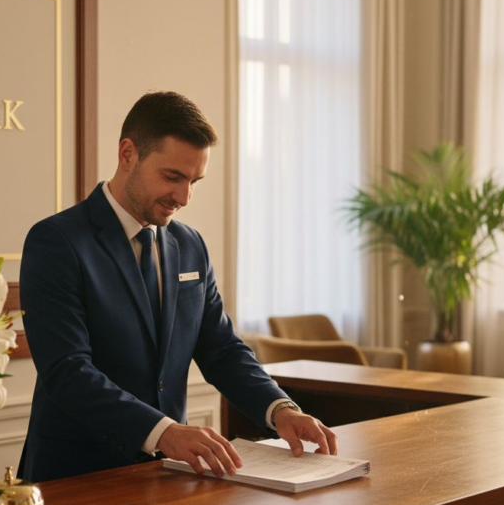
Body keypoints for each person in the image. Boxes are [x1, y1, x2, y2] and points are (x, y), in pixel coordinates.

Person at [17, 91, 337, 482]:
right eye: (172, 177)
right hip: (77, 478)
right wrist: (164, 432)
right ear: (128, 153)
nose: (183, 197)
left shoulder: (190, 245)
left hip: (169, 478)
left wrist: (281, 409)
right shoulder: (56, 241)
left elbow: (221, 349)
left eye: (194, 181)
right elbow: (67, 370)